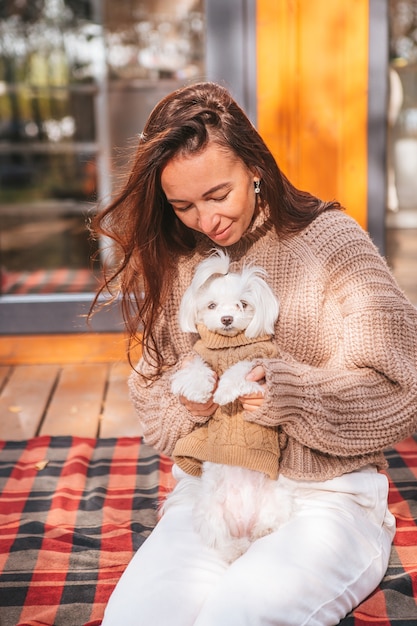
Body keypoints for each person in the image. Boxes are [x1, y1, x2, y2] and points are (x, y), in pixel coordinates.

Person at [93, 82, 417, 626]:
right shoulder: (181, 257)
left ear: (254, 166)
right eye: (183, 206)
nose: (205, 220)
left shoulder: (331, 241)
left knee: (237, 616)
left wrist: (287, 394)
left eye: (218, 195)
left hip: (323, 497)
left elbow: (399, 386)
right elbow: (153, 390)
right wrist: (187, 408)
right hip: (212, 493)